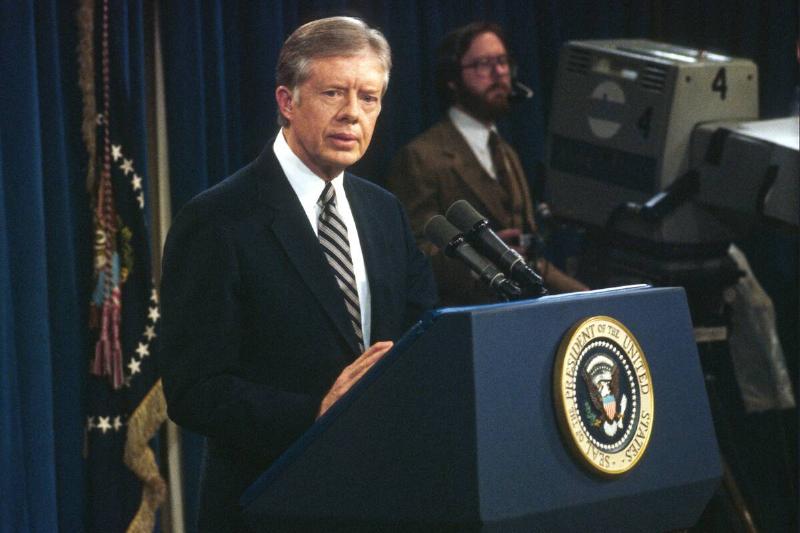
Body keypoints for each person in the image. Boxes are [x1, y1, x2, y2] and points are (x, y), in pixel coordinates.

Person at [159, 17, 437, 532]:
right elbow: (193, 390)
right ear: (287, 102)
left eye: (369, 98)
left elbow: (424, 341)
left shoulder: (385, 212)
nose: (353, 114)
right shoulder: (218, 219)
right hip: (270, 506)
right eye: (334, 92)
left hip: (384, 501)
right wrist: (316, 411)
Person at [387, 22, 587, 306]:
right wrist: (480, 257)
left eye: (503, 62)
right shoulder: (421, 157)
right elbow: (414, 257)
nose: (500, 73)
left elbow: (532, 259)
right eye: (483, 64)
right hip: (467, 321)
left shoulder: (507, 152)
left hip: (525, 312)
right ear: (452, 80)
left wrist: (594, 298)